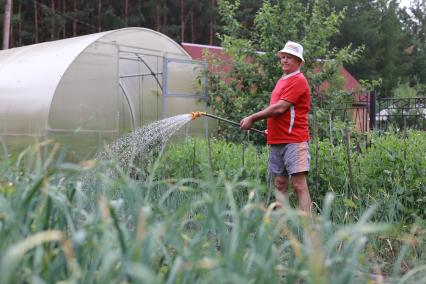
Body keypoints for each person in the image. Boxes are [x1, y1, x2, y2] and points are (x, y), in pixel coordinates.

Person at [240, 41, 311, 213]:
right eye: (283, 57)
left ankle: (309, 230)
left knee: (299, 185)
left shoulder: (299, 80)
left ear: (299, 62)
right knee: (280, 184)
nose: (285, 60)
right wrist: (271, 130)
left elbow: (280, 108)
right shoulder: (282, 81)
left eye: (290, 57)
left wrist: (252, 118)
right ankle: (283, 229)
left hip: (294, 140)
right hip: (277, 140)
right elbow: (282, 113)